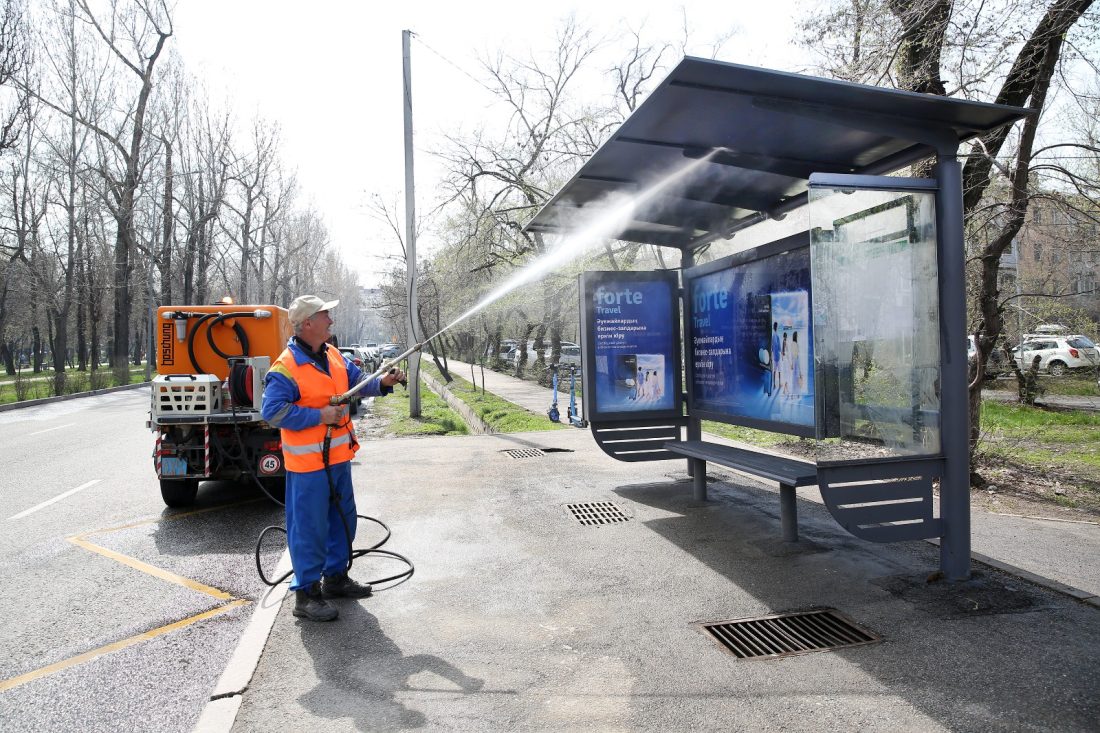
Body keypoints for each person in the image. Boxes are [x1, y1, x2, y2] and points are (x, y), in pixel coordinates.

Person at [261, 295, 405, 622]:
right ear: (307, 323)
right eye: (325, 315)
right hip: (308, 468)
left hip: (338, 460)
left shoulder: (333, 354)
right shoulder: (286, 367)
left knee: (343, 520)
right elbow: (272, 412)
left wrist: (383, 382)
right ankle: (306, 595)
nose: (331, 320)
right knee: (309, 530)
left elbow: (357, 384)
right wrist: (320, 415)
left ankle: (335, 579)